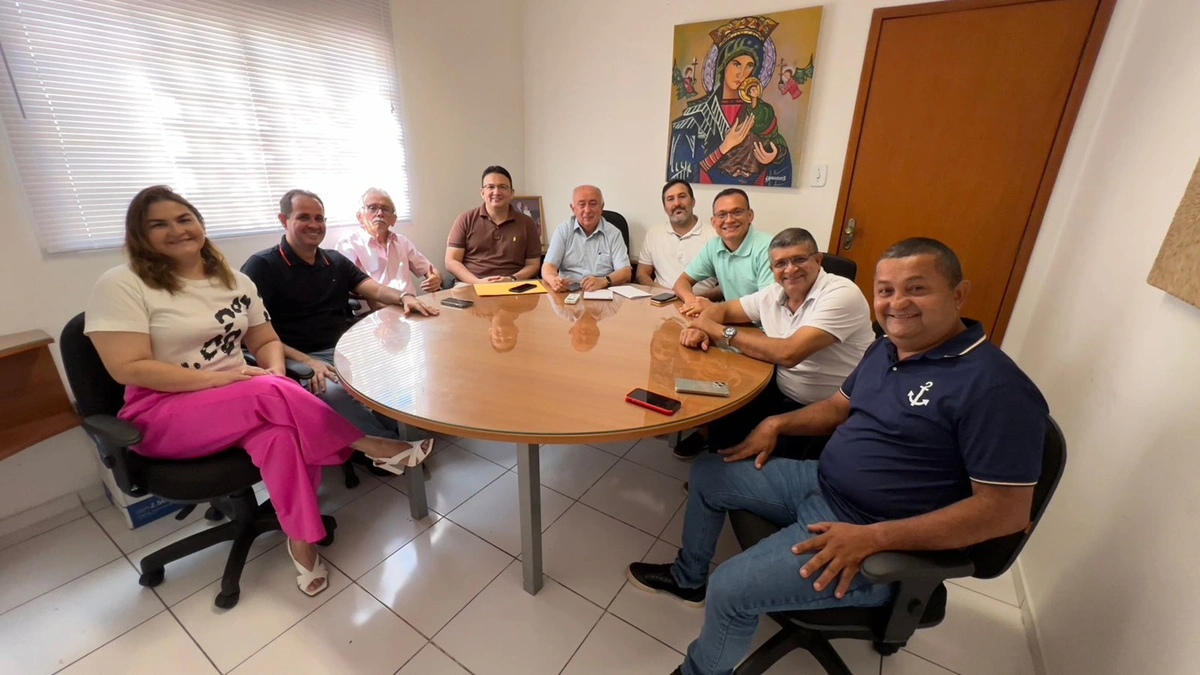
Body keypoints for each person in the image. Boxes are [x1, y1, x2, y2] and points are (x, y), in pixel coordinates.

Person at [627, 238, 1049, 675]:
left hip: (872, 533)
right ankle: (688, 578)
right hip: (822, 484)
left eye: (917, 289)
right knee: (711, 473)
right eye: (885, 290)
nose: (896, 302)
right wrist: (777, 424)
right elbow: (839, 407)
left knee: (731, 589)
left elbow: (1006, 513)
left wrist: (875, 539)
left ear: (958, 294)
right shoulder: (887, 348)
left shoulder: (995, 389)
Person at [85, 186, 433, 598]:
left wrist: (270, 371)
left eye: (184, 219)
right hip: (163, 411)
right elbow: (127, 367)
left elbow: (265, 340)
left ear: (199, 224)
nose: (176, 230)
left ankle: (302, 545)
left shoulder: (233, 280)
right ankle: (373, 445)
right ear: (139, 235)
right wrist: (229, 379)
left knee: (282, 436)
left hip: (244, 397)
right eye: (158, 224)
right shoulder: (123, 284)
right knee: (271, 391)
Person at [240, 189, 438, 444]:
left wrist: (404, 298)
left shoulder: (333, 260)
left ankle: (407, 431)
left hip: (345, 346)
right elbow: (252, 335)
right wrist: (307, 362)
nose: (314, 225)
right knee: (335, 393)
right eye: (304, 217)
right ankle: (389, 447)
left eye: (319, 218)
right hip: (298, 355)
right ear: (284, 220)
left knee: (392, 369)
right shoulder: (262, 266)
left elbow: (374, 288)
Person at [671, 228, 874, 460]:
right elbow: (723, 309)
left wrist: (717, 330)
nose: (790, 269)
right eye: (781, 264)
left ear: (818, 260)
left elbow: (789, 353)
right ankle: (719, 471)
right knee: (722, 405)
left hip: (830, 406)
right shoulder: (774, 292)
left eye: (799, 259)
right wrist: (700, 328)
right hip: (781, 388)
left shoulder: (841, 294)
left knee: (775, 460)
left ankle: (734, 480)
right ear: (772, 270)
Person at [667, 17, 791, 186]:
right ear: (722, 66)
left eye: (750, 66)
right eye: (736, 64)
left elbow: (777, 151)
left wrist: (775, 157)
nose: (742, 73)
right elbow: (680, 177)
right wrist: (724, 147)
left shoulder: (760, 112)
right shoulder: (695, 115)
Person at [335, 187, 441, 310]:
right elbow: (347, 284)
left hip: (410, 307)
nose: (380, 213)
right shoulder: (348, 244)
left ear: (393, 219)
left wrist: (435, 278)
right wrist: (371, 297)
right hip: (373, 315)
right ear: (360, 217)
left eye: (385, 209)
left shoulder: (402, 242)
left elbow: (430, 270)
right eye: (372, 208)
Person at [673, 188, 773, 317]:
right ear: (713, 222)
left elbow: (766, 305)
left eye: (737, 212)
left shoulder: (768, 248)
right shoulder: (714, 246)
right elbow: (682, 282)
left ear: (750, 215)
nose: (729, 220)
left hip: (763, 327)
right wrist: (691, 302)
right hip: (730, 321)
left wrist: (715, 309)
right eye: (722, 215)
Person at [445, 165, 542, 284]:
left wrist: (511, 279)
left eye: (503, 187)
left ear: (511, 193)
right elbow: (451, 261)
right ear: (482, 192)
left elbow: (533, 264)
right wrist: (477, 282)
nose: (496, 192)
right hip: (471, 284)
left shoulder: (527, 223)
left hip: (514, 285)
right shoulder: (465, 219)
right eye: (490, 187)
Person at [635, 180, 718, 298]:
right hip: (661, 301)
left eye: (682, 196)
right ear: (665, 207)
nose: (677, 203)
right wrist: (665, 294)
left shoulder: (714, 235)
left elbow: (727, 283)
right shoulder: (654, 233)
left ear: (693, 202)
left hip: (701, 304)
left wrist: (695, 299)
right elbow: (642, 274)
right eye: (670, 199)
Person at [542, 185, 632, 292]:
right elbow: (548, 266)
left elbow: (625, 272)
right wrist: (554, 280)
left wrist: (604, 281)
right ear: (573, 208)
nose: (587, 210)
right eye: (582, 205)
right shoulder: (563, 230)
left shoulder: (613, 233)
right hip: (568, 292)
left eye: (593, 204)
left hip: (602, 293)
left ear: (601, 207)